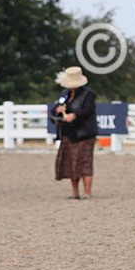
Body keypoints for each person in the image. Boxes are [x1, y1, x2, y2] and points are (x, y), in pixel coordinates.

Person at [50, 66, 98, 200]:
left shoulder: (88, 95)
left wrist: (75, 115)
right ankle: (75, 192)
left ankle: (87, 192)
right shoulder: (64, 94)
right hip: (69, 133)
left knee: (85, 162)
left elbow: (88, 111)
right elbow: (54, 110)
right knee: (72, 162)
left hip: (84, 133)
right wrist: (57, 110)